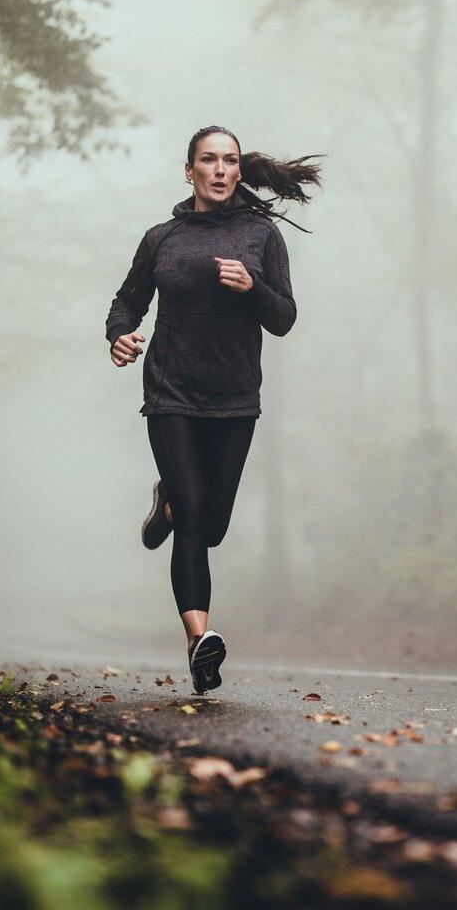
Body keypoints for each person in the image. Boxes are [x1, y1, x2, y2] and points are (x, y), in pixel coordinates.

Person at [105, 126, 321, 693]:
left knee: (213, 524)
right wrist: (121, 336)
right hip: (170, 392)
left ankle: (166, 504)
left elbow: (284, 317)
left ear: (238, 171)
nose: (220, 170)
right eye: (209, 160)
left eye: (229, 161)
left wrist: (251, 288)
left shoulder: (262, 236)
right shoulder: (162, 238)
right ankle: (200, 640)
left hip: (233, 396)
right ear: (189, 170)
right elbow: (128, 301)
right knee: (197, 520)